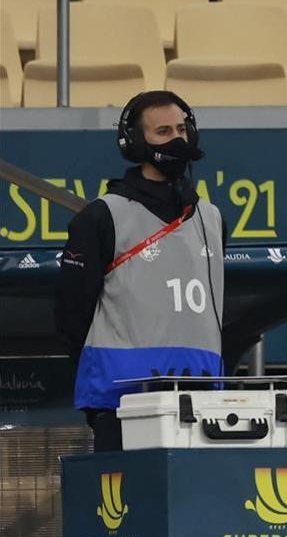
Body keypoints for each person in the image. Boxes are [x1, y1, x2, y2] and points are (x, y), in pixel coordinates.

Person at [54, 91, 224, 452]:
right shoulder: (100, 218)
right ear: (133, 142)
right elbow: (72, 315)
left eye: (181, 129)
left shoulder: (212, 218)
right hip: (122, 402)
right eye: (163, 131)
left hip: (202, 398)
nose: (176, 139)